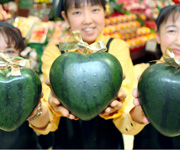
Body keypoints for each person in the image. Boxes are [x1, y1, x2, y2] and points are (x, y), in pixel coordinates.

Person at [28, 0, 147, 149]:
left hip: (107, 140)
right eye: (77, 12)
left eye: (95, 10)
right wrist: (37, 111)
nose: (88, 20)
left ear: (105, 11)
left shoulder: (116, 48)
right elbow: (47, 120)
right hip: (67, 140)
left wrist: (134, 110)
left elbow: (127, 113)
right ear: (66, 18)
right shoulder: (55, 53)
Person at [132, 4, 180, 149]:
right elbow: (128, 114)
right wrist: (142, 112)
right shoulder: (142, 72)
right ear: (158, 35)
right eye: (172, 30)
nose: (179, 40)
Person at [0, 22, 42, 149]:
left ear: (19, 53)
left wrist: (36, 111)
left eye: (9, 51)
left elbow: (43, 126)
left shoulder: (26, 81)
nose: (2, 58)